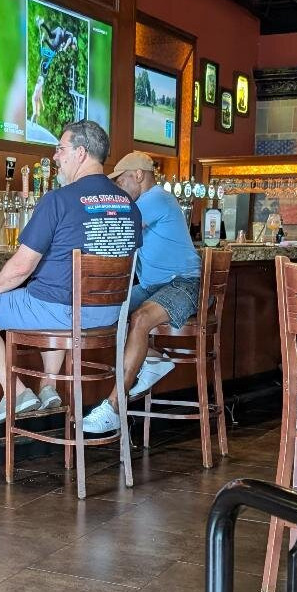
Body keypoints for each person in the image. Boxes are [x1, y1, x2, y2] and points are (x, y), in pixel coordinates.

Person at [0, 120, 142, 427]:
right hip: (110, 315)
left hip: (63, 312)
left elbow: (21, 267)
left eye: (60, 149)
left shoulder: (59, 200)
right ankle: (48, 387)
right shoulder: (129, 205)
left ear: (81, 153)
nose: (55, 157)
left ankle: (16, 393)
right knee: (46, 293)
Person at [81, 151, 200, 434]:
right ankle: (154, 357)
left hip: (183, 284)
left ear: (138, 175)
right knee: (108, 311)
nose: (119, 189)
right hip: (153, 287)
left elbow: (117, 228)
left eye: (121, 181)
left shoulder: (156, 198)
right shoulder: (144, 203)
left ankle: (114, 407)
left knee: (140, 318)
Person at [30, 19, 78, 124]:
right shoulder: (71, 39)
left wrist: (62, 47)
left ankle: (42, 23)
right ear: (74, 44)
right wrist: (64, 48)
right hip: (60, 34)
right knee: (53, 48)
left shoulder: (69, 36)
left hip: (59, 30)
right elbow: (67, 43)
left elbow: (63, 43)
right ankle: (44, 40)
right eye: (74, 47)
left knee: (51, 36)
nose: (72, 48)